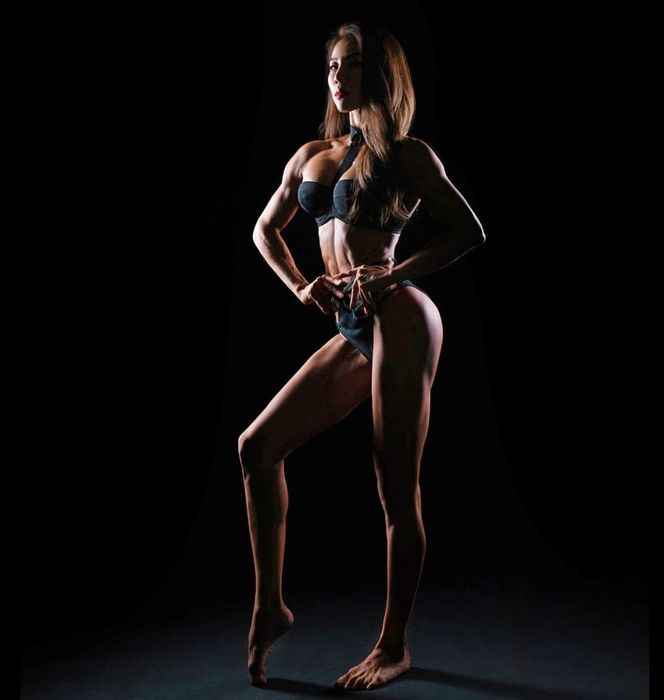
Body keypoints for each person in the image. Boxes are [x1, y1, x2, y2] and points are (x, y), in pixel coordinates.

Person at [239, 20, 485, 690]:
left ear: (378, 73)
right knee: (256, 449)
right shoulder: (311, 154)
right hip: (352, 325)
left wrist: (392, 272)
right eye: (331, 66)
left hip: (400, 318)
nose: (337, 76)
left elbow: (468, 230)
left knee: (394, 488)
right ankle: (270, 608)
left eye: (350, 64)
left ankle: (393, 646)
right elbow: (265, 229)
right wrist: (301, 286)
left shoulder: (405, 155)